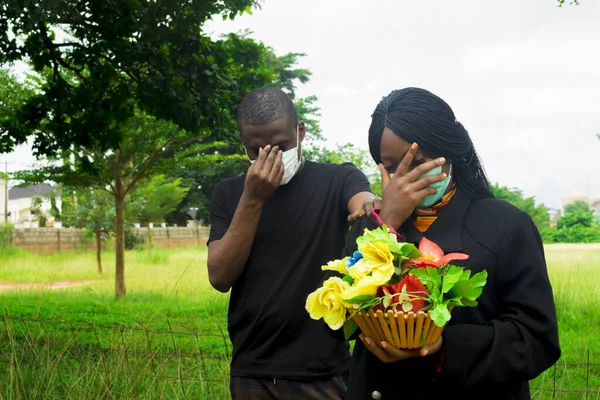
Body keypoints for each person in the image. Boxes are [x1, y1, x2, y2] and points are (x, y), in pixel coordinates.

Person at [343, 87, 561, 399]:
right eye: (393, 167)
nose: (407, 177)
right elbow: (336, 319)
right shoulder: (368, 225)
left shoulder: (507, 225)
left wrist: (444, 348)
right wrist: (386, 222)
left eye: (419, 161)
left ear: (450, 150)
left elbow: (536, 339)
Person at [207, 85, 377, 399]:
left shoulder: (337, 179)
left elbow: (363, 201)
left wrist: (368, 207)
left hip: (324, 371)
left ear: (300, 132)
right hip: (253, 371)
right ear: (242, 143)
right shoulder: (228, 194)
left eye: (281, 145)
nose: (270, 157)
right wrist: (253, 198)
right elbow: (219, 276)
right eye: (257, 149)